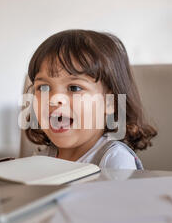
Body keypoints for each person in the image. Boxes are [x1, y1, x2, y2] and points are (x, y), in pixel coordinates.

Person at [24, 29, 157, 170]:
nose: (54, 99)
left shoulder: (115, 160)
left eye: (74, 88)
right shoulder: (41, 160)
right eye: (43, 87)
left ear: (110, 101)